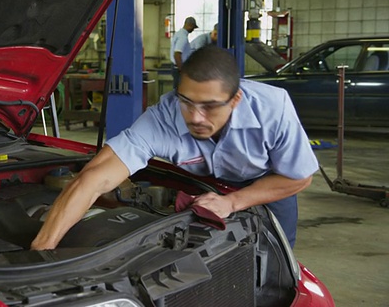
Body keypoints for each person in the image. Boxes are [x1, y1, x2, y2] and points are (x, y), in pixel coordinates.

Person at [31, 45, 317, 251]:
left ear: (235, 99)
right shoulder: (163, 117)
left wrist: (232, 202)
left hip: (268, 183)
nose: (195, 117)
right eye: (187, 101)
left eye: (209, 106)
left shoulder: (273, 109)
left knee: (272, 256)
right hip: (204, 184)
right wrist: (42, 248)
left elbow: (299, 176)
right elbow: (93, 179)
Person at [169, 16, 198, 90]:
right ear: (189, 25)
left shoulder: (178, 34)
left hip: (176, 66)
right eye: (193, 27)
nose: (193, 30)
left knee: (178, 90)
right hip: (178, 68)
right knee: (179, 90)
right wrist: (182, 69)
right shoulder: (183, 37)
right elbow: (177, 54)